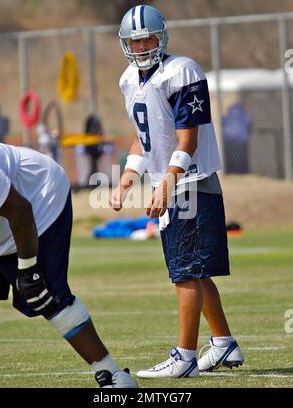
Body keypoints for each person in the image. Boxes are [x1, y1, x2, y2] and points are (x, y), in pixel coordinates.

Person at [111, 4, 244, 378]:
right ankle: (224, 344)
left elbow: (188, 139)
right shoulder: (128, 79)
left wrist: (167, 182)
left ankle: (184, 357)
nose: (140, 48)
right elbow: (144, 140)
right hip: (171, 180)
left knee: (185, 271)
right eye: (133, 42)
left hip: (191, 180)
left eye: (147, 39)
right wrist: (127, 178)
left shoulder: (181, 71)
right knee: (195, 271)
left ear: (161, 36)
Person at [0, 142, 137, 388]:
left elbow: (20, 211)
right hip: (5, 217)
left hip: (39, 197)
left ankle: (113, 376)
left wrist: (28, 269)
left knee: (42, 293)